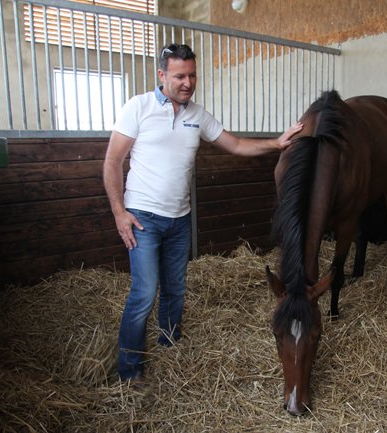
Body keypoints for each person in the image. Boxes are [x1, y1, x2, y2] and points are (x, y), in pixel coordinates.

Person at [103, 43, 303, 382]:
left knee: (176, 289)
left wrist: (276, 143)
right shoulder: (139, 106)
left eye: (192, 75)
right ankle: (130, 370)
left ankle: (170, 344)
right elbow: (112, 161)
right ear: (162, 75)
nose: (188, 83)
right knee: (144, 293)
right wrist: (119, 212)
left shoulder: (197, 115)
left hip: (180, 219)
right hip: (142, 218)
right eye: (180, 76)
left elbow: (235, 144)